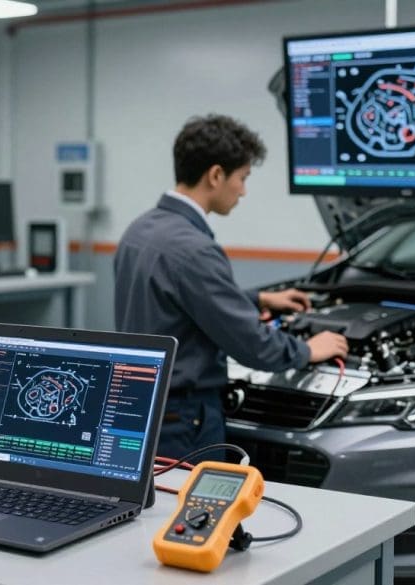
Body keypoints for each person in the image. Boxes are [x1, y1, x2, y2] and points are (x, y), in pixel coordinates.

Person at [114, 114, 348, 461]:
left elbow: (177, 302)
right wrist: (308, 350)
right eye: (243, 177)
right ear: (216, 175)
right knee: (200, 513)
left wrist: (257, 299)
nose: (243, 190)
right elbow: (253, 346)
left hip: (143, 405)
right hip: (184, 419)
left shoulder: (140, 230)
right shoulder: (193, 248)